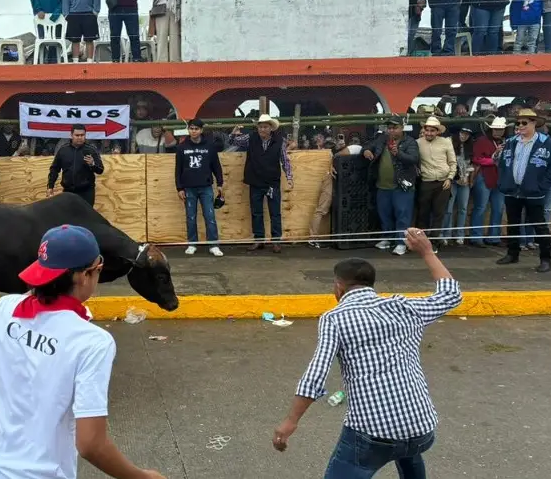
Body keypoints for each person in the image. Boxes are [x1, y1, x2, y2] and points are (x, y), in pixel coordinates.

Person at [0, 225, 166, 479]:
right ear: (84, 276)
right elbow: (90, 445)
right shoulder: (91, 342)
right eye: (98, 269)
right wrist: (143, 477)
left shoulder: (4, 307)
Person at [273, 228, 462, 477]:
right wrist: (426, 251)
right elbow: (451, 294)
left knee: (376, 448)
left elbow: (315, 376)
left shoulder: (335, 318)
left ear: (339, 287)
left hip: (372, 436)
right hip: (422, 428)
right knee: (406, 448)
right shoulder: (404, 307)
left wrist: (290, 421)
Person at [495, 109, 551, 272]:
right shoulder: (510, 141)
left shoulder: (547, 142)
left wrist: (541, 187)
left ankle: (546, 258)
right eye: (518, 123)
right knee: (513, 224)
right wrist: (503, 182)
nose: (520, 126)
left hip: (534, 191)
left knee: (539, 225)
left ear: (534, 123)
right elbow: (502, 165)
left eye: (524, 122)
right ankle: (512, 253)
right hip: (512, 190)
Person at [228, 115, 293, 252]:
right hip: (255, 180)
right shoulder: (250, 138)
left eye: (265, 127)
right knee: (256, 212)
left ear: (271, 128)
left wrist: (289, 176)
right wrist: (233, 133)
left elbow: (284, 159)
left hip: (272, 182)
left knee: (275, 213)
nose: (262, 129)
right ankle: (259, 240)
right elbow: (233, 141)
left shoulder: (279, 141)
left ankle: (276, 241)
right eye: (260, 126)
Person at [175, 118, 223, 257]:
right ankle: (192, 243)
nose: (193, 131)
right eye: (191, 128)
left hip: (206, 187)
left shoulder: (210, 146)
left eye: (196, 129)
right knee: (190, 217)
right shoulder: (181, 147)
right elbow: (178, 170)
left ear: (201, 130)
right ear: (188, 130)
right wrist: (179, 188)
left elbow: (216, 166)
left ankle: (213, 244)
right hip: (189, 188)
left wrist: (220, 183)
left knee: (210, 216)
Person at [415, 116, 456, 246]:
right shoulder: (417, 143)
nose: (429, 133)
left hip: (443, 182)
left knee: (439, 213)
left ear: (438, 131)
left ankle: (434, 242)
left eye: (432, 130)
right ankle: (422, 242)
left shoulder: (446, 142)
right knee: (423, 213)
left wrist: (450, 178)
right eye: (427, 130)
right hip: (426, 181)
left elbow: (452, 162)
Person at [469, 116, 507, 246]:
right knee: (481, 207)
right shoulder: (481, 141)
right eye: (496, 129)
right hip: (483, 176)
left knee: (498, 208)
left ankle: (494, 237)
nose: (498, 132)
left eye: (501, 129)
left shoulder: (506, 142)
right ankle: (476, 237)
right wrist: (493, 161)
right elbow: (476, 158)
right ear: (491, 129)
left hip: (500, 178)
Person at [47, 124, 104, 206]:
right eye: (77, 135)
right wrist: (50, 186)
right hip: (68, 191)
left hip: (86, 192)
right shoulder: (63, 150)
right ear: (71, 135)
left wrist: (93, 164)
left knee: (85, 218)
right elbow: (54, 169)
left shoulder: (91, 150)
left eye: (82, 135)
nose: (80, 137)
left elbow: (100, 170)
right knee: (68, 217)